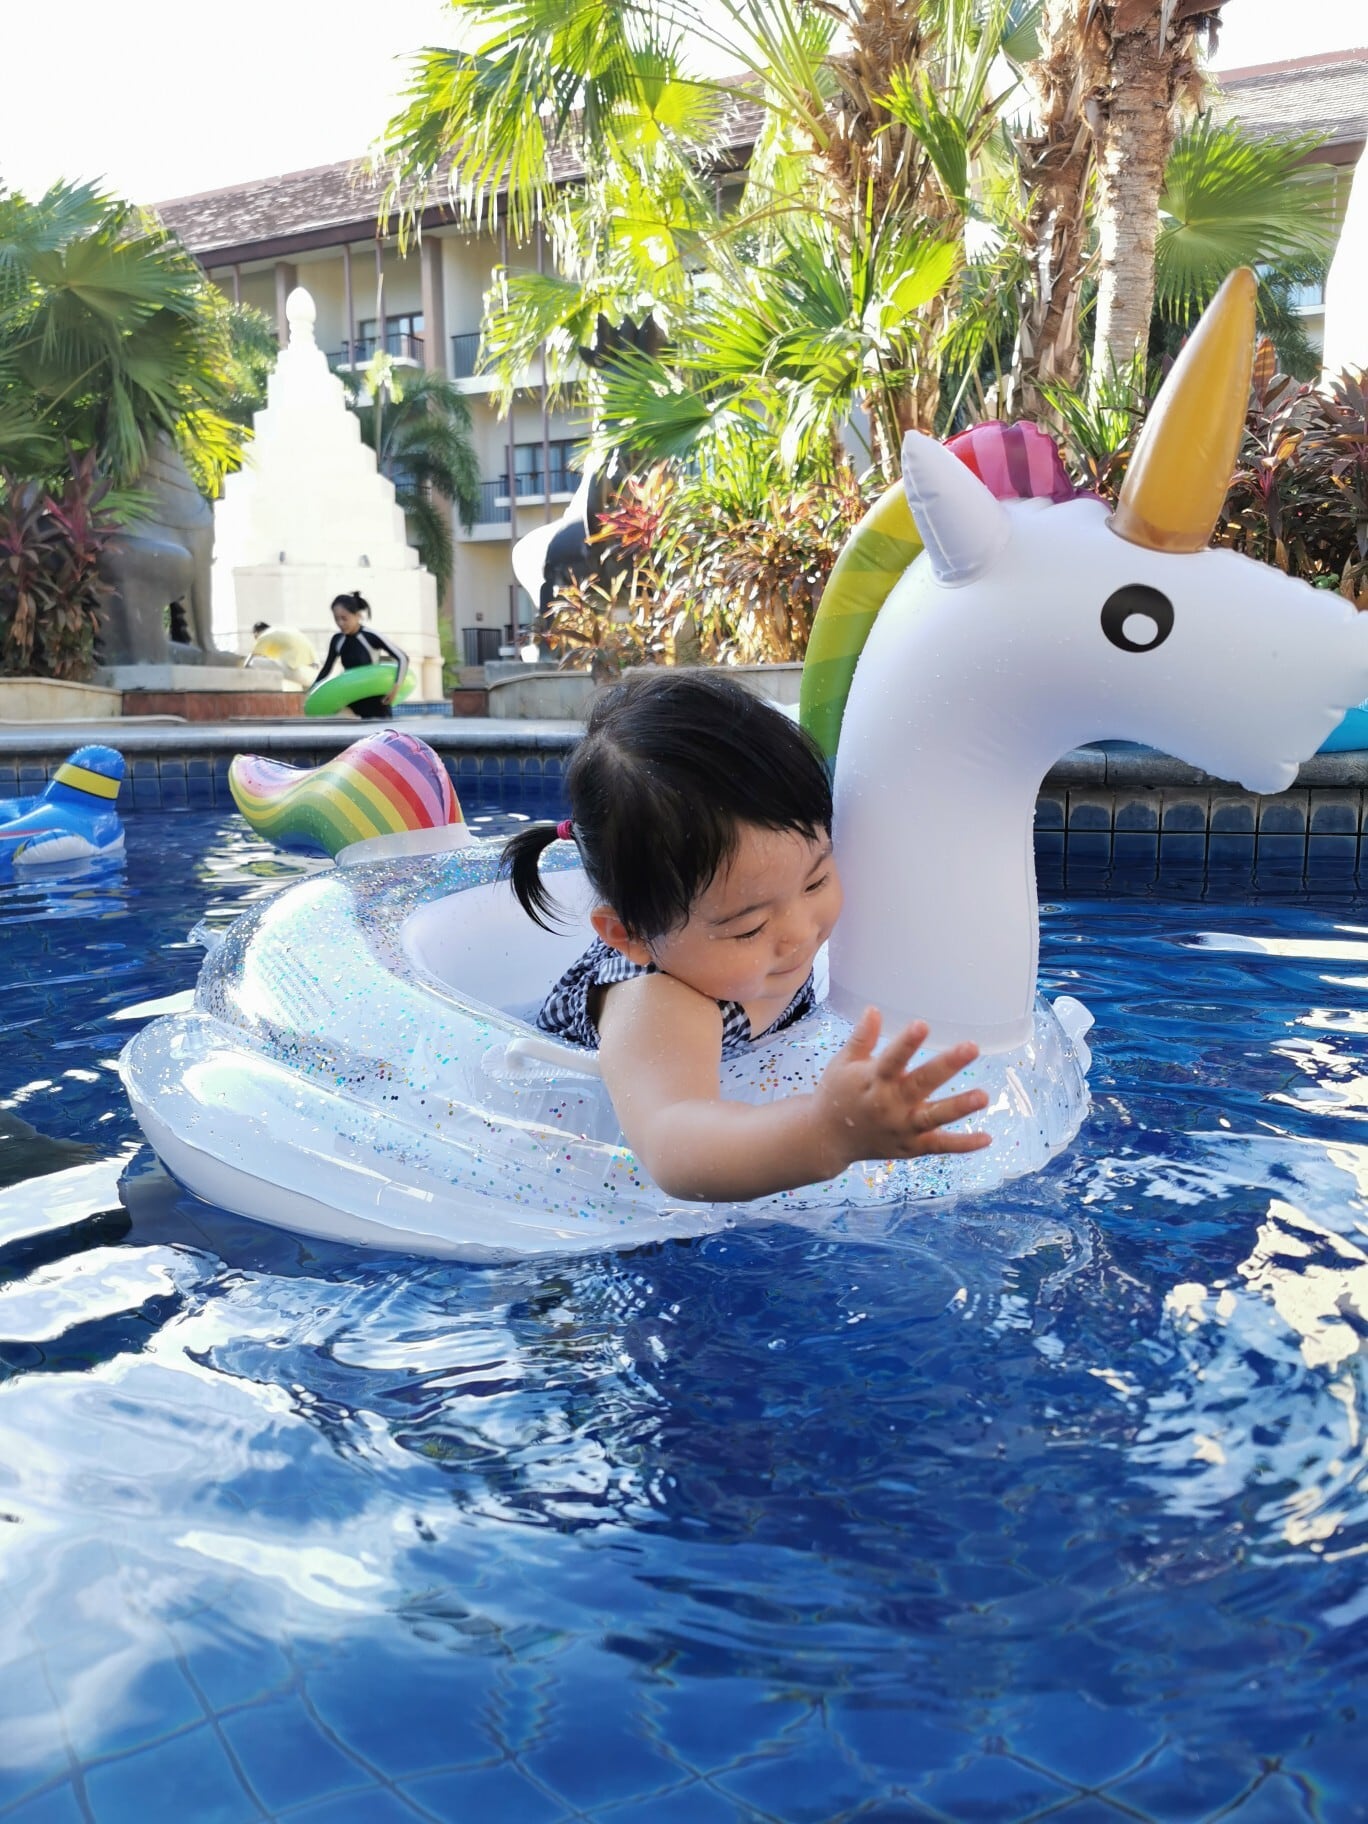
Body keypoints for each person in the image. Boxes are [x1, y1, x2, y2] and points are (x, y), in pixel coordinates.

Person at [501, 669, 990, 1204]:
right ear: (631, 935)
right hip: (578, 1179)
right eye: (750, 927)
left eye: (816, 881)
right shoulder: (657, 1001)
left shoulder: (733, 935)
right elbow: (673, 1143)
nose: (799, 932)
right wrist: (825, 1133)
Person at [310, 592, 408, 719]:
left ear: (357, 616)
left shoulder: (370, 636)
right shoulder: (337, 640)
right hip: (352, 699)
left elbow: (402, 658)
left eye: (344, 618)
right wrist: (312, 690)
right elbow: (326, 669)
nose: (340, 623)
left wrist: (395, 688)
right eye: (336, 619)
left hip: (376, 701)